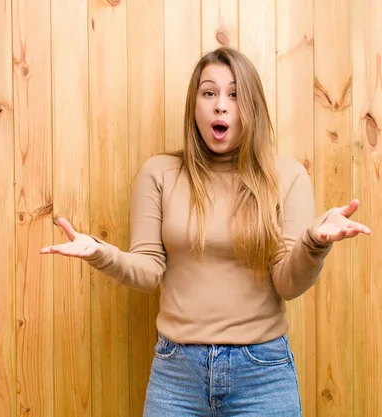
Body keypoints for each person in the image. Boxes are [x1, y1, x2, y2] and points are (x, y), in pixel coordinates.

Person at [40, 47, 371, 416]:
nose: (221, 105)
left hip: (262, 373)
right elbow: (149, 271)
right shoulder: (160, 173)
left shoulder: (287, 175)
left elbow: (288, 284)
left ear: (253, 107)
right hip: (177, 373)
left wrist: (313, 244)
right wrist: (102, 253)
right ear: (194, 105)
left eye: (235, 94)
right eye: (209, 92)